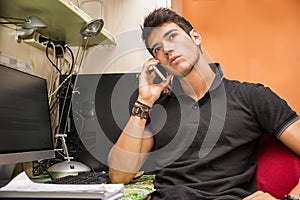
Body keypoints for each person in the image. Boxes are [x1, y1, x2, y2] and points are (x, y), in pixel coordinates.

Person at [107, 7, 300, 199]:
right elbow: (119, 176)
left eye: (172, 36)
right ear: (156, 60)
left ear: (195, 37)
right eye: (157, 48)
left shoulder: (251, 97)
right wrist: (144, 101)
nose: (166, 49)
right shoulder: (157, 107)